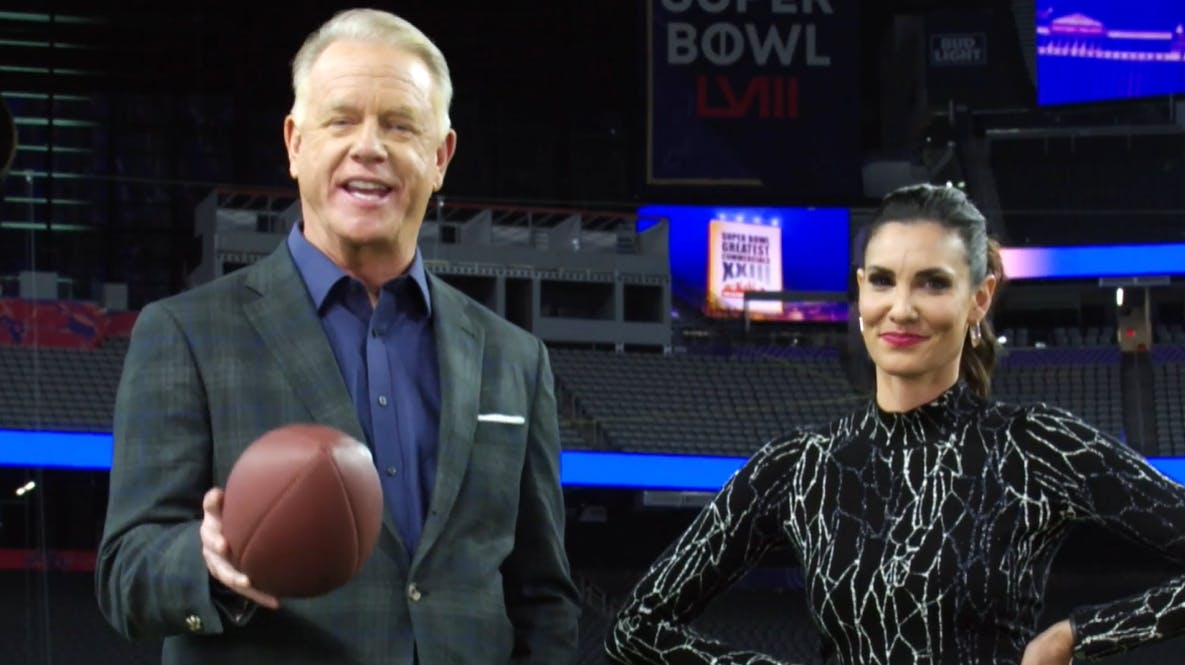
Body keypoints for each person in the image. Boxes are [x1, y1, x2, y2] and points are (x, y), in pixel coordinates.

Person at [96, 8, 580, 664]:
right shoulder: (185, 333)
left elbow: (542, 594)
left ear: (440, 157)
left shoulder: (515, 359)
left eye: (400, 125)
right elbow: (126, 572)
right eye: (342, 119)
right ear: (295, 143)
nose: (369, 146)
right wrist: (207, 560)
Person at [605, 183, 1185, 664]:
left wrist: (1076, 636)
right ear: (860, 292)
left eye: (933, 283)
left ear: (979, 299)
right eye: (882, 280)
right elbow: (636, 626)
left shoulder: (1036, 448)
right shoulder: (799, 466)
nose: (901, 308)